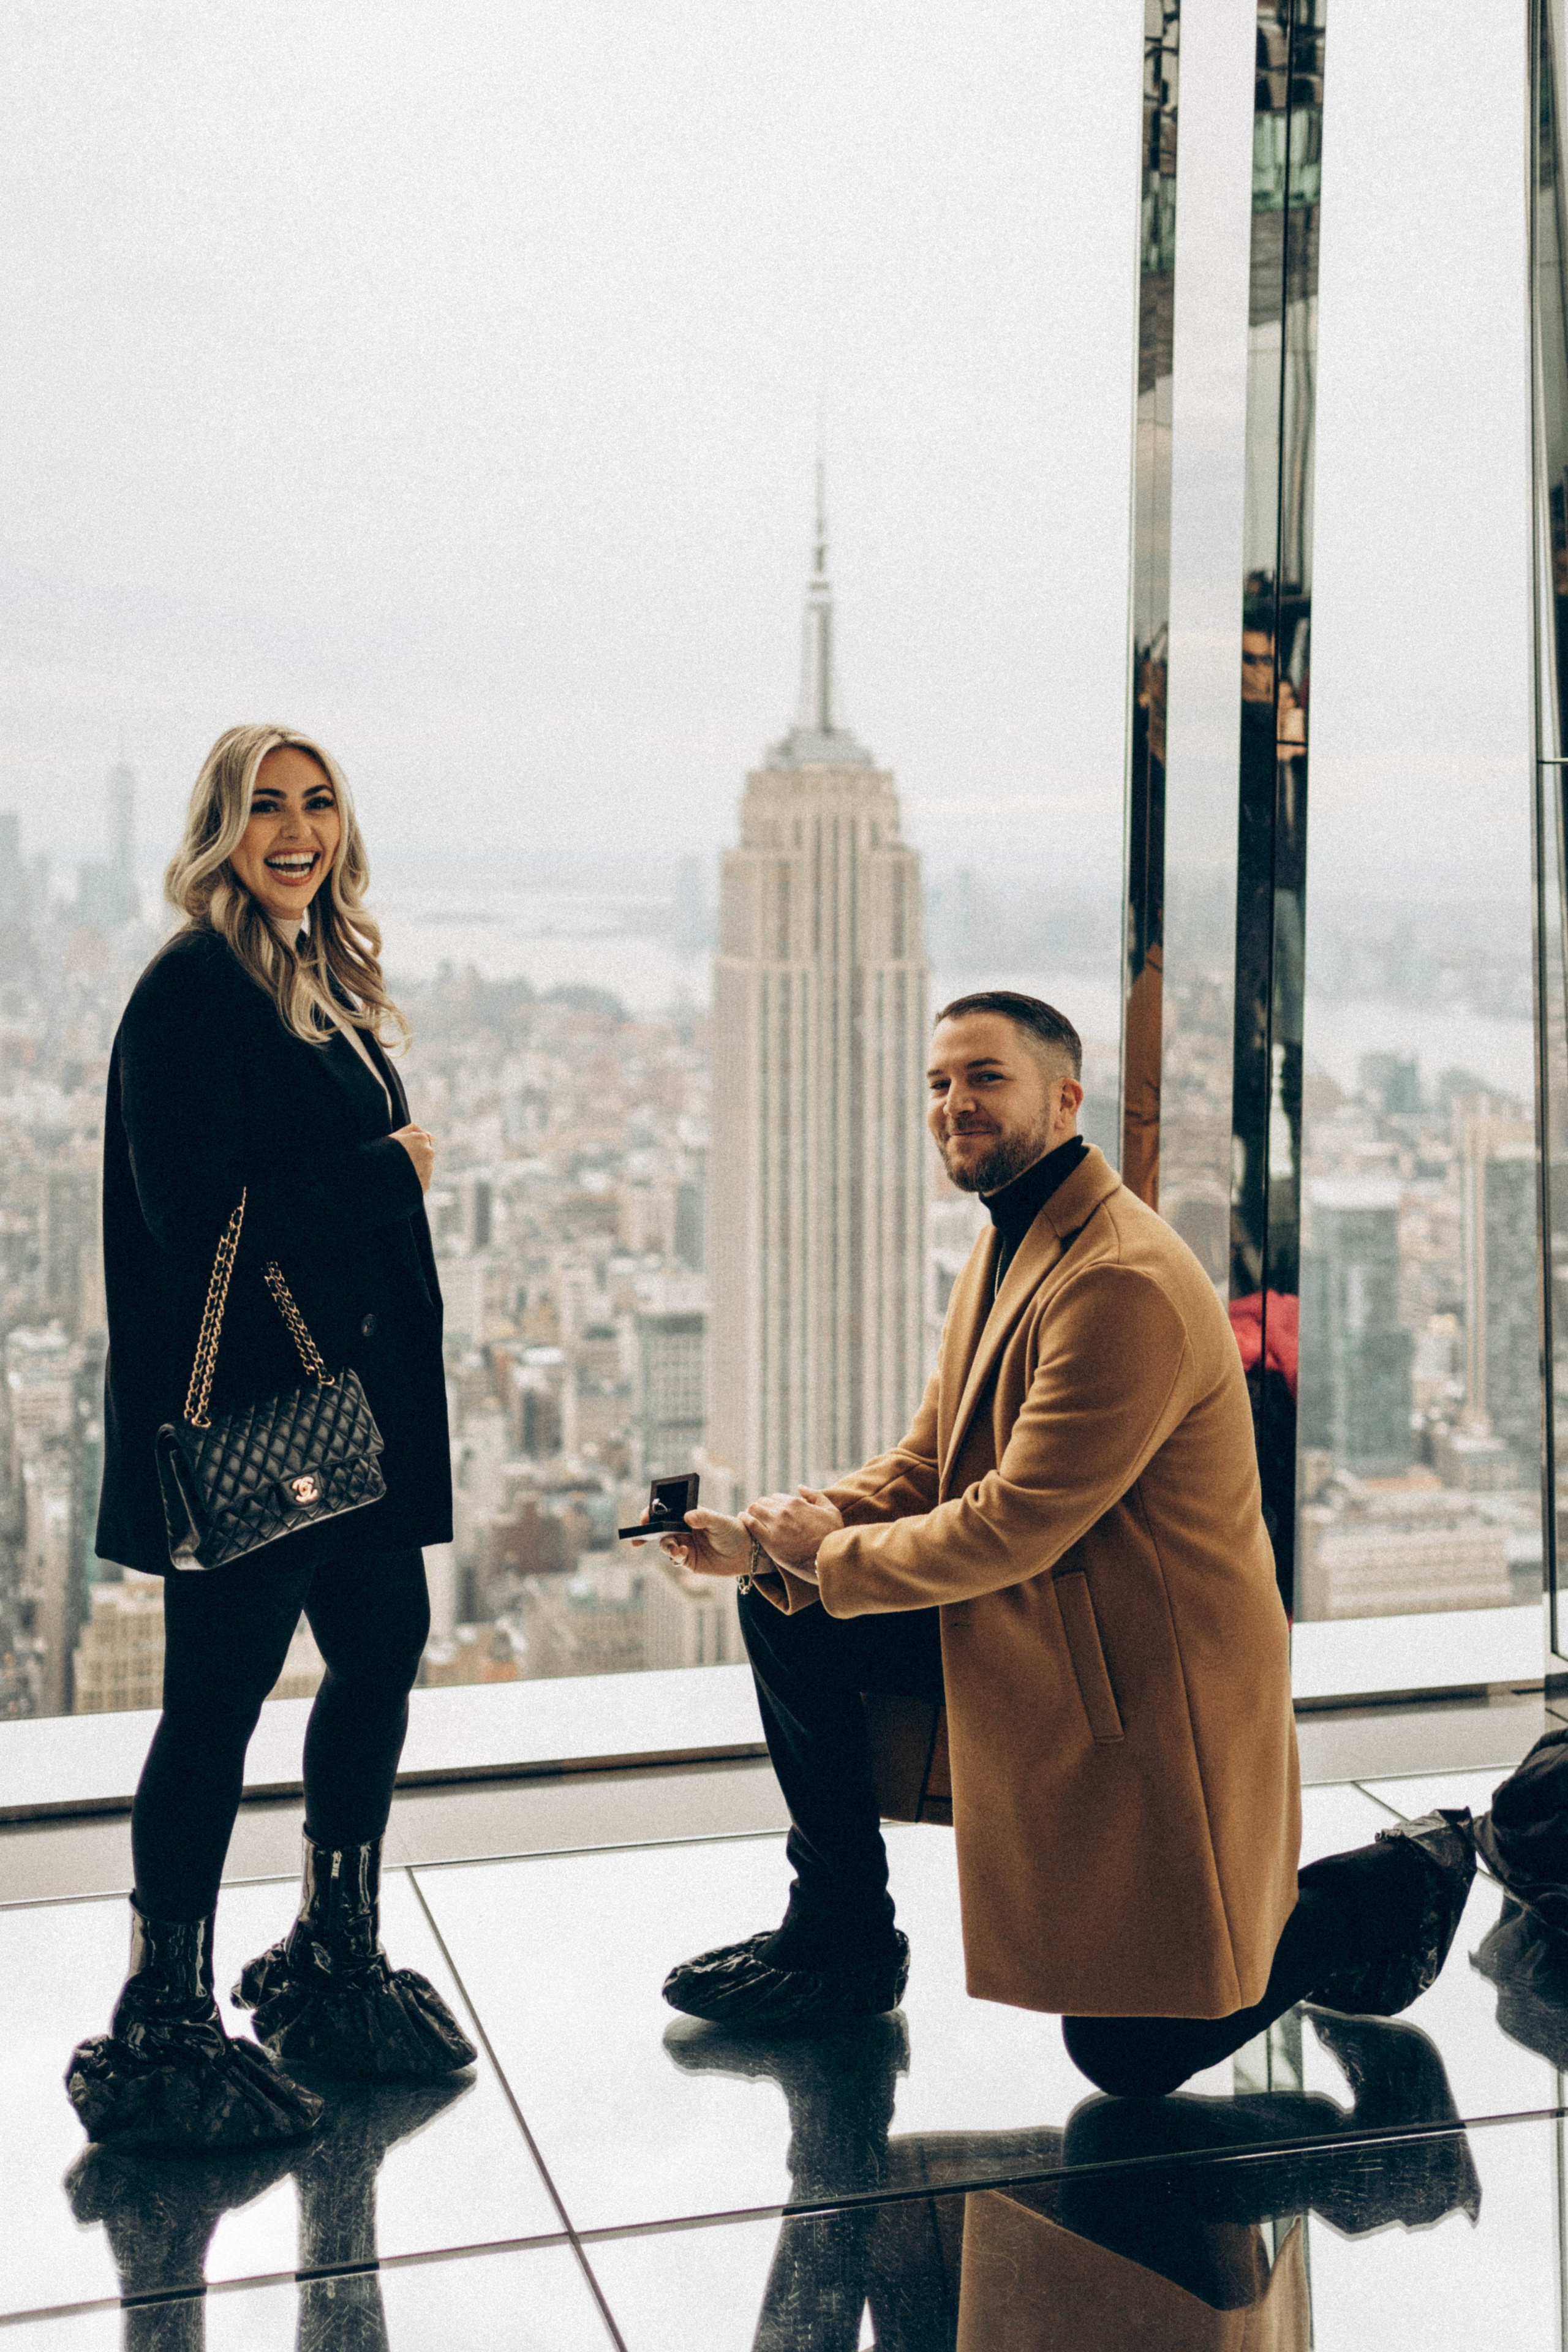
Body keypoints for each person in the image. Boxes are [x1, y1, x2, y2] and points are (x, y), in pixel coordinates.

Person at [655, 990, 1482, 2088]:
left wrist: (824, 1556)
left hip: (1148, 1681)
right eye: (941, 1083)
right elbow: (931, 1464)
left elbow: (1013, 1525)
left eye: (985, 1078)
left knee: (1131, 2057)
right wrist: (768, 1544)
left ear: (1065, 1096)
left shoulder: (1118, 1283)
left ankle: (1388, 1888)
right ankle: (840, 1941)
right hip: (1059, 1626)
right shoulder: (1010, 1246)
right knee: (791, 1611)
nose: (956, 1103)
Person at [67, 725, 475, 2155]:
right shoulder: (193, 986)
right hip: (255, 1420)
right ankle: (165, 2014)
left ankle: (334, 1946)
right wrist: (388, 1168)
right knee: (216, 1706)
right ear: (219, 827)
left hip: (350, 1423)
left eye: (316, 804)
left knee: (383, 1649)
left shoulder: (313, 975)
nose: (294, 828)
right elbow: (194, 1219)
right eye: (265, 807)